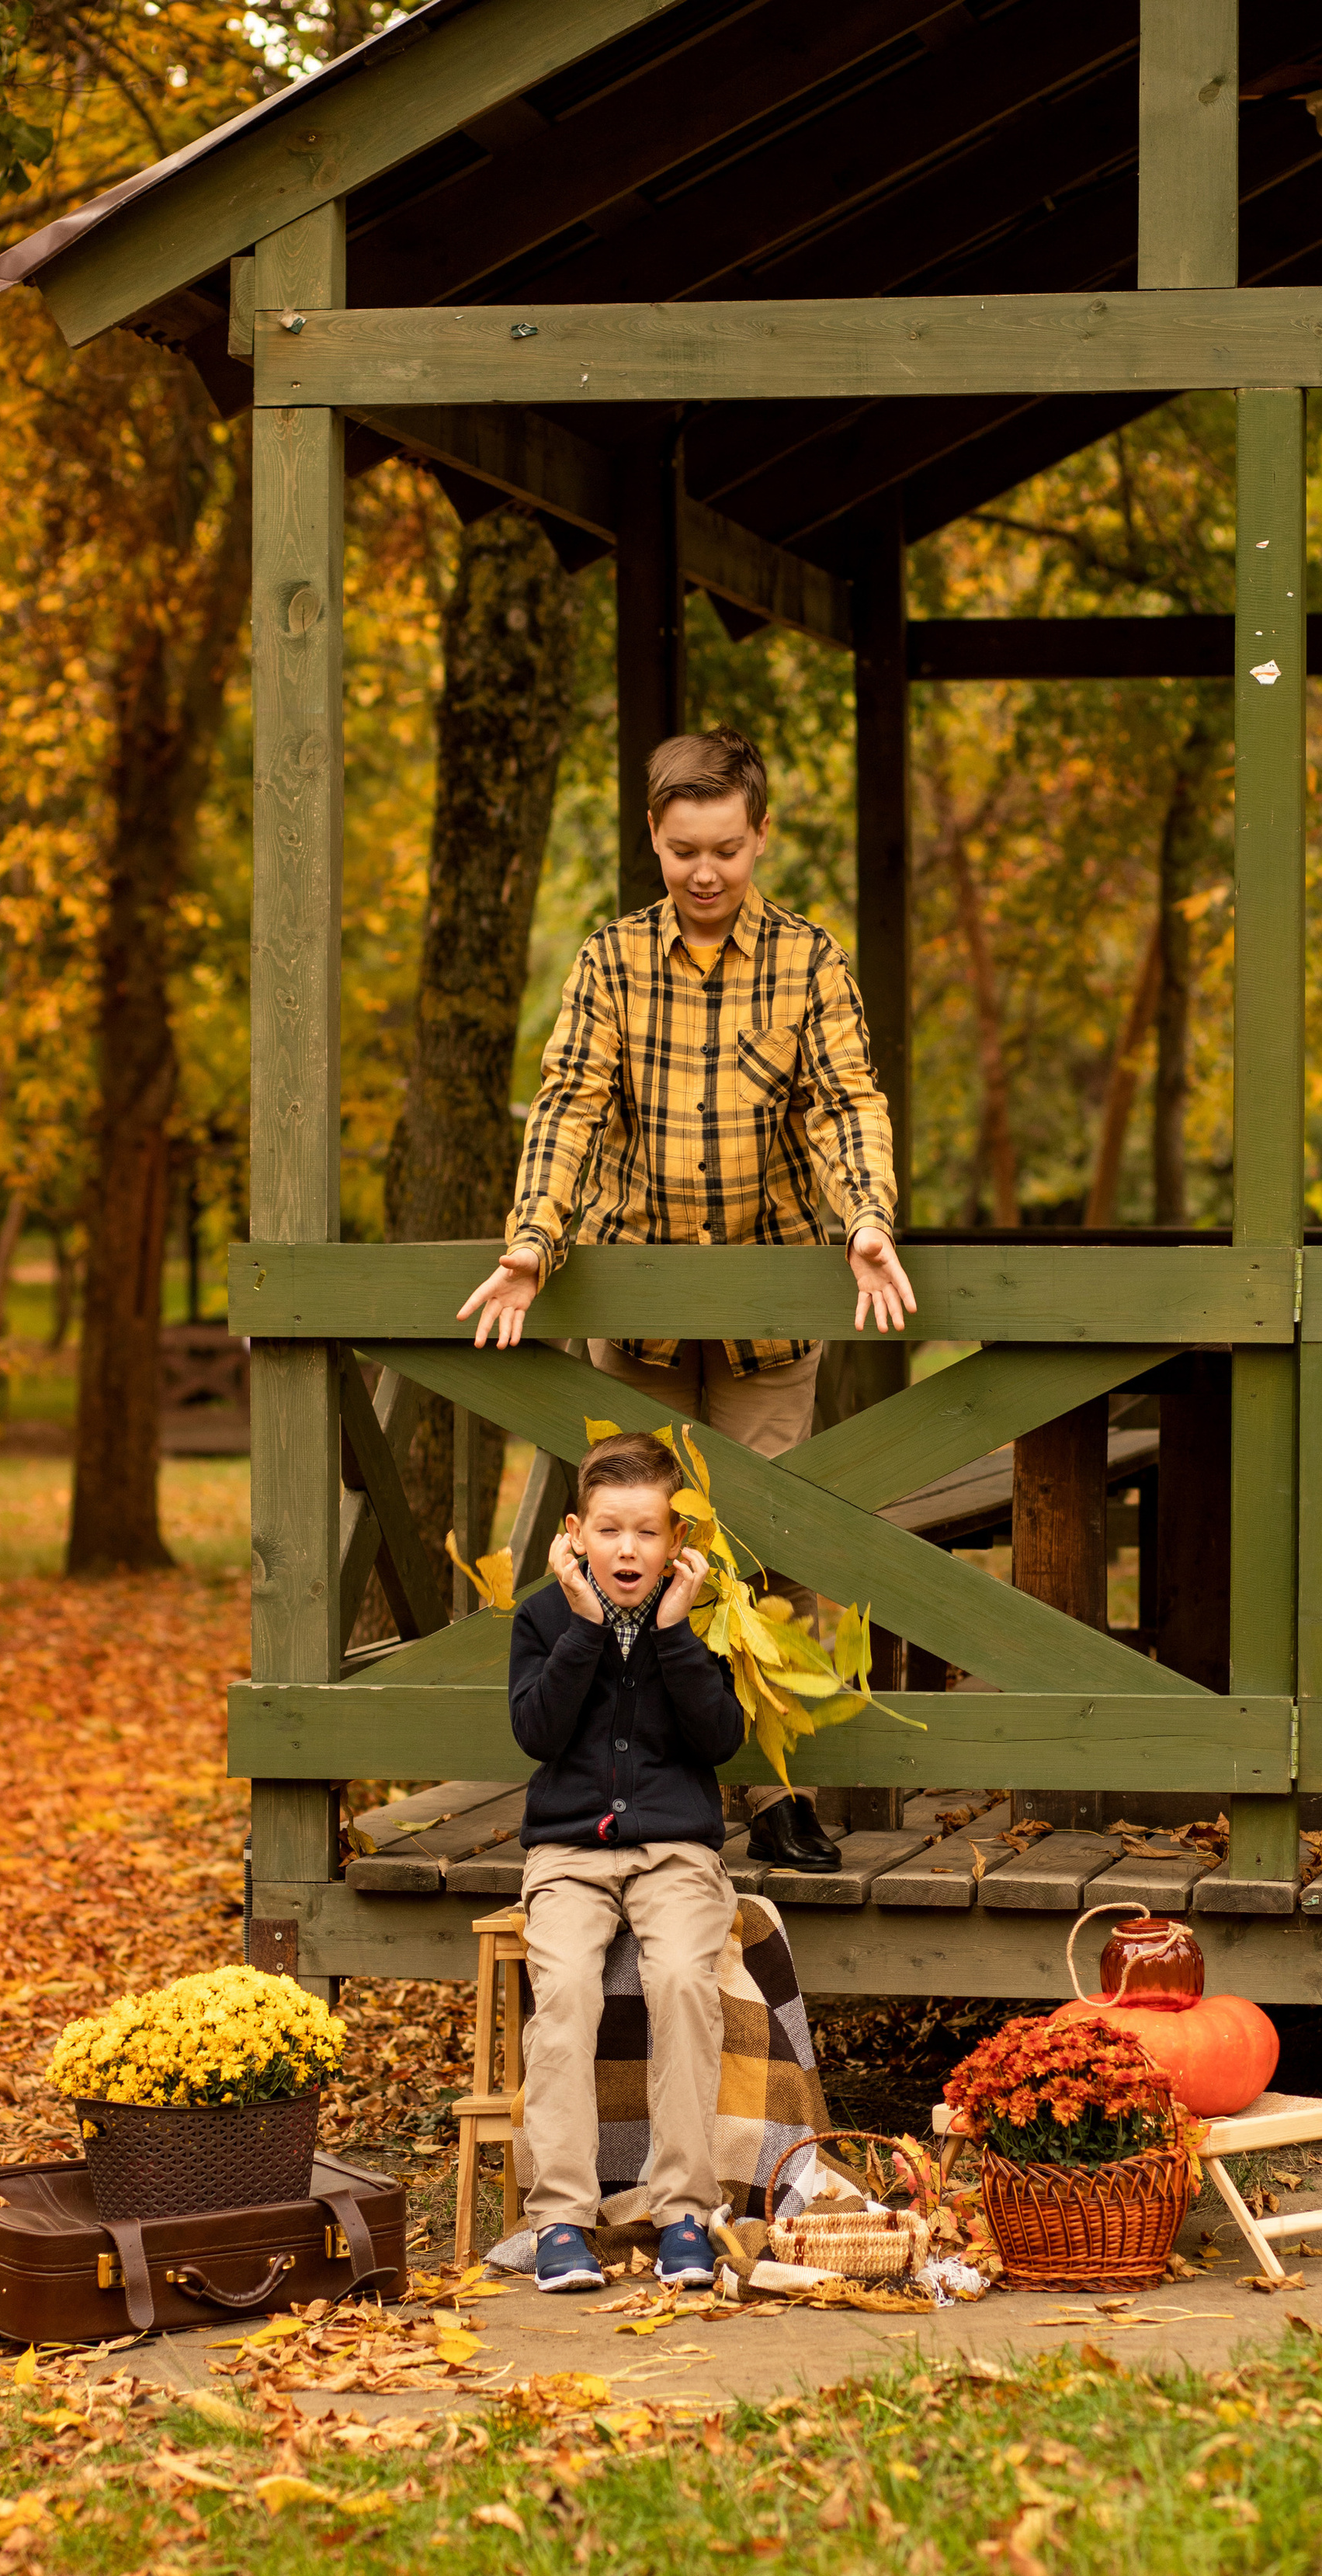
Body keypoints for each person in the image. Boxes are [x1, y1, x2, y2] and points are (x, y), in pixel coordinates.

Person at [459, 723, 916, 1874]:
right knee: (634, 1547)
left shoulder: (810, 960)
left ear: (760, 835)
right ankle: (645, 1786)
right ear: (653, 843)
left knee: (769, 1548)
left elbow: (843, 1103)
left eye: (724, 848)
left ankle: (775, 1794)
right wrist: (532, 1242)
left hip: (769, 1320)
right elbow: (567, 1104)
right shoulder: (611, 961)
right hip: (642, 1310)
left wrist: (864, 1217)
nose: (704, 873)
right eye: (680, 851)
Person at [508, 1428, 743, 2294]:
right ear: (575, 1533)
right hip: (569, 1853)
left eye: (648, 1531)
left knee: (681, 1977)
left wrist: (674, 1638)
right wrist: (581, 1630)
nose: (628, 1549)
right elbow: (535, 1732)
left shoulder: (708, 1617)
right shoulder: (541, 1616)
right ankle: (561, 2220)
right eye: (609, 1530)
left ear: (676, 1541)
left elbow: (719, 1738)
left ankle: (684, 2208)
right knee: (563, 1988)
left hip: (675, 1850)